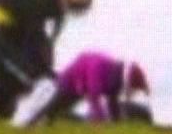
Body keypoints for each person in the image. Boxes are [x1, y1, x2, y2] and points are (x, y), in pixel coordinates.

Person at [13, 51, 151, 126]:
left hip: (82, 87)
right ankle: (28, 124)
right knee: (52, 106)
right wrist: (99, 120)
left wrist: (117, 125)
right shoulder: (99, 66)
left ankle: (43, 124)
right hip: (70, 81)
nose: (131, 93)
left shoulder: (115, 82)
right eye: (133, 88)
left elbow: (112, 103)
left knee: (61, 110)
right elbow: (94, 96)